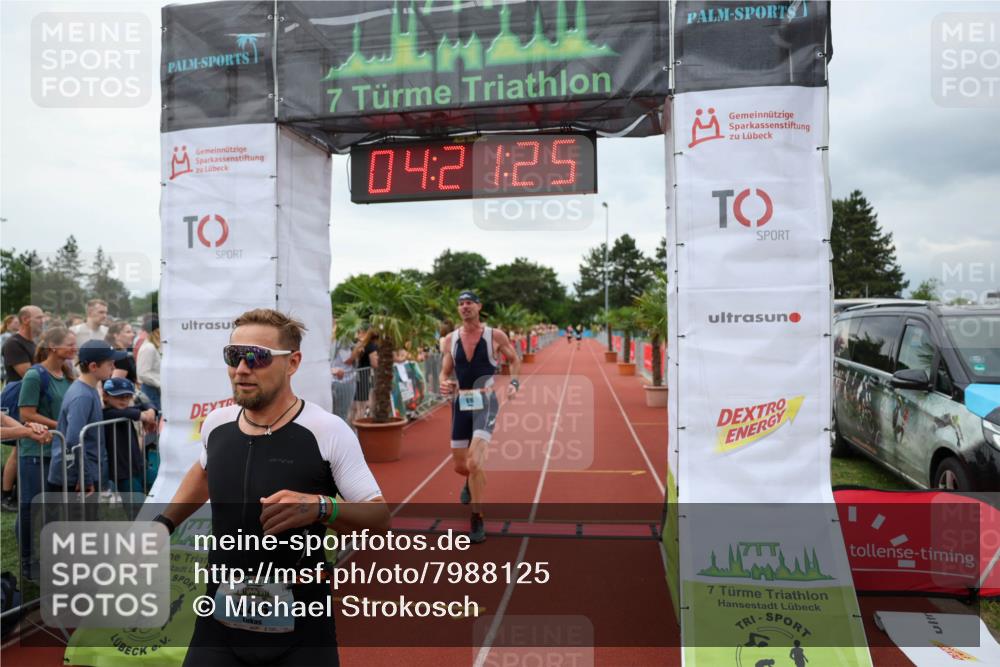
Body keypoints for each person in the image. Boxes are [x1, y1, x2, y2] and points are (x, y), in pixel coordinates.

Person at [156, 308, 388, 666]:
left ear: (292, 363)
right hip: (219, 620)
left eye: (257, 357)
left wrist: (322, 507)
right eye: (233, 356)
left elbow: (380, 518)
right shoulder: (217, 424)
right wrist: (163, 524)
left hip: (301, 627)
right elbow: (204, 472)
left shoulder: (326, 430)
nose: (242, 368)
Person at [439, 291, 521, 544]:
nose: (465, 307)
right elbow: (444, 373)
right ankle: (469, 483)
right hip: (461, 402)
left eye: (469, 303)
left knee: (475, 463)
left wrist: (514, 383)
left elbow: (514, 360)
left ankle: (477, 516)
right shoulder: (450, 340)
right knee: (461, 466)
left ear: (479, 307)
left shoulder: (494, 335)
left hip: (486, 402)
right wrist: (444, 384)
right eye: (461, 304)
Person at [14, 327, 76, 579]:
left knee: (51, 508)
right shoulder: (34, 375)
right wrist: (59, 426)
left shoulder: (67, 374)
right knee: (30, 507)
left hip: (57, 452)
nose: (75, 348)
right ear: (52, 347)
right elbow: (26, 414)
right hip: (35, 452)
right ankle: (28, 562)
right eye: (70, 344)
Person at [49, 340, 126, 493]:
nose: (114, 367)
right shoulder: (82, 396)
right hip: (74, 478)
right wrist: (85, 478)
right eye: (110, 363)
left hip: (84, 472)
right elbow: (74, 440)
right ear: (93, 367)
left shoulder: (89, 389)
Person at [1, 305, 44, 512]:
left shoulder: (32, 343)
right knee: (19, 448)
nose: (42, 320)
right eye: (39, 317)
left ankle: (17, 489)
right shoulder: (13, 343)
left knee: (24, 447)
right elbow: (28, 373)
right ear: (26, 319)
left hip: (30, 397)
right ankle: (6, 494)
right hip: (17, 397)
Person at [100, 377, 156, 496]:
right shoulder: (107, 414)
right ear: (106, 396)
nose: (124, 400)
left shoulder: (126, 410)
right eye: (118, 396)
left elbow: (147, 404)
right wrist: (144, 416)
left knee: (161, 489)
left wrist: (151, 411)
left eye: (128, 396)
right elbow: (130, 412)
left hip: (139, 465)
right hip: (123, 473)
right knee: (136, 508)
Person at [136, 314, 161, 410]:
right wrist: (160, 384)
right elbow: (143, 373)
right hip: (151, 389)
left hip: (153, 388)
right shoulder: (148, 348)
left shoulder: (153, 347)